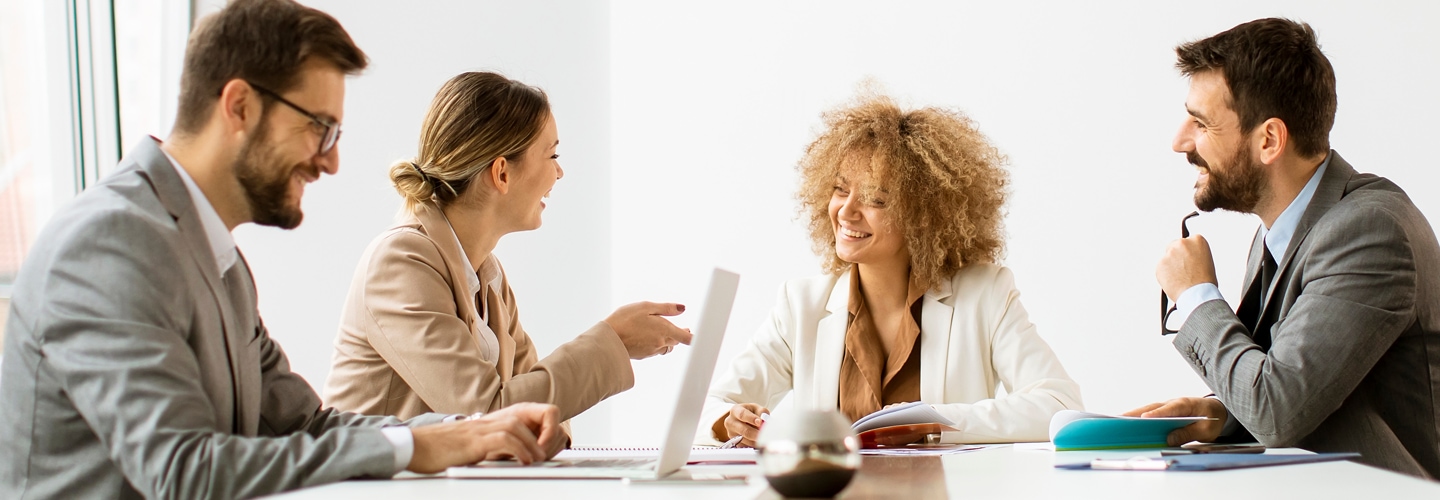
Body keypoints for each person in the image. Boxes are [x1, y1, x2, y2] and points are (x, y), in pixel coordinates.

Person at [0, 1, 564, 498]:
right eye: (320, 128)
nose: (331, 161)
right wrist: (418, 447)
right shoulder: (109, 244)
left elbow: (304, 425)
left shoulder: (216, 259)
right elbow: (183, 471)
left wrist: (463, 433)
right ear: (240, 106)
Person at [1128, 18, 1440, 479]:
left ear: (1269, 140)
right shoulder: (1283, 232)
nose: (1179, 142)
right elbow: (1301, 386)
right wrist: (1223, 415)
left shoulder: (1370, 232)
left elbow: (1277, 412)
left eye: (1202, 123)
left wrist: (1195, 296)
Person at [698, 91, 1083, 447]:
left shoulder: (986, 295)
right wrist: (729, 422)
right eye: (840, 189)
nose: (846, 211)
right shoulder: (800, 305)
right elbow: (708, 409)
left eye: (875, 200)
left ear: (923, 216)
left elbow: (1058, 405)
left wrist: (935, 421)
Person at [322, 72, 691, 431]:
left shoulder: (488, 275)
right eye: (552, 155)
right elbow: (487, 413)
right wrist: (616, 340)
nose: (559, 173)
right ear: (501, 173)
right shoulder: (401, 262)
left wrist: (546, 427)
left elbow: (538, 411)